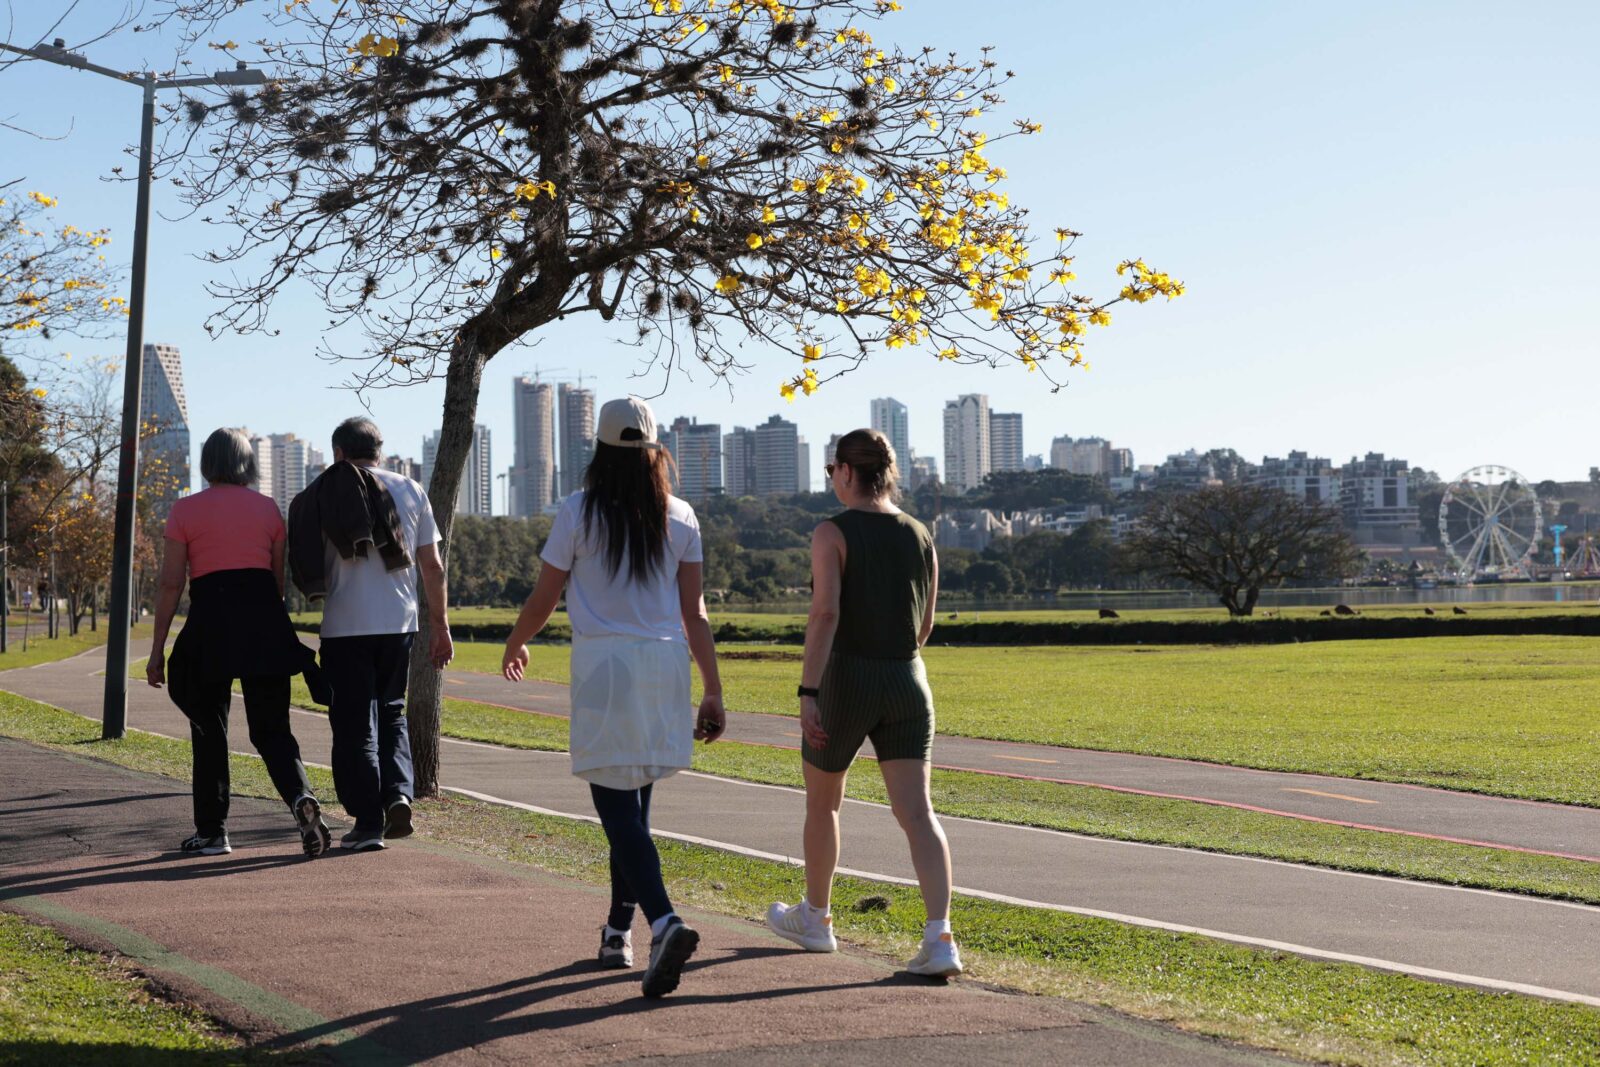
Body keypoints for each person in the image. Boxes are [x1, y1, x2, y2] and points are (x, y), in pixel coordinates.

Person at [501, 396, 726, 999]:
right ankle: (616, 931)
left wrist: (517, 642)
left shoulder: (577, 511)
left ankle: (663, 921)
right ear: (655, 451)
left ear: (598, 450)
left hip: (605, 667)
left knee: (617, 813)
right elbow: (694, 613)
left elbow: (547, 595)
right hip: (664, 666)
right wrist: (713, 688)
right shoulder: (680, 516)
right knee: (636, 815)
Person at [766, 428, 962, 978]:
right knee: (918, 814)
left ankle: (818, 920)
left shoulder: (832, 532)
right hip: (908, 678)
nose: (832, 480)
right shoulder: (921, 533)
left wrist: (809, 692)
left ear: (847, 472)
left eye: (833, 471)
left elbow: (824, 614)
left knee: (824, 803)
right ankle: (940, 937)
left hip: (846, 678)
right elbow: (923, 624)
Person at [147, 427, 331, 858]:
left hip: (210, 624)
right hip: (264, 623)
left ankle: (213, 832)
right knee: (272, 729)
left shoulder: (185, 510)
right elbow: (277, 582)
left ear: (207, 463)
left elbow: (171, 584)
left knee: (210, 730)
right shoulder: (268, 509)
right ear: (248, 463)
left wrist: (158, 649)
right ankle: (300, 796)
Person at [288, 416, 453, 851]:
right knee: (393, 712)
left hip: (345, 627)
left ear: (339, 453)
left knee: (354, 724)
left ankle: (367, 821)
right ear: (379, 450)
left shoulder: (321, 493)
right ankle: (398, 793)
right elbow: (432, 567)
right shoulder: (410, 490)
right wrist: (441, 627)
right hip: (400, 624)